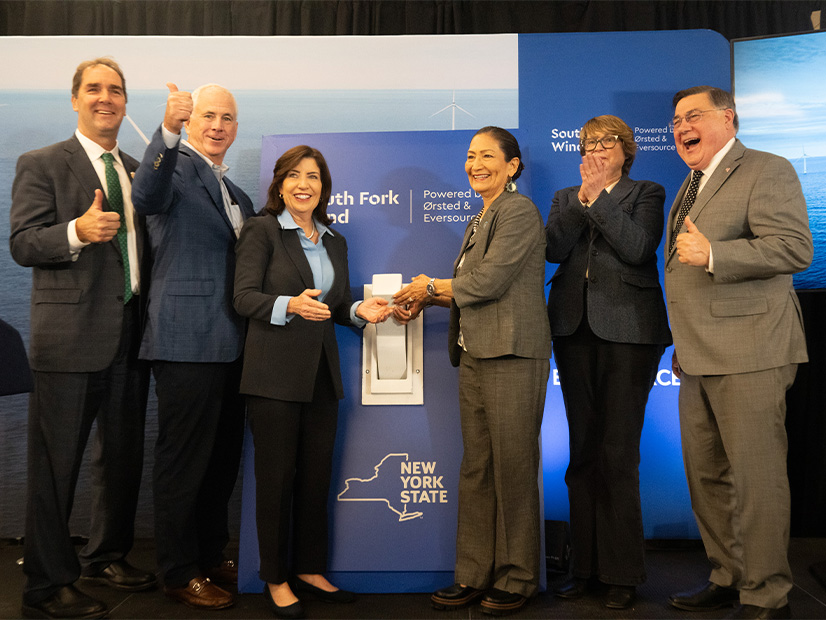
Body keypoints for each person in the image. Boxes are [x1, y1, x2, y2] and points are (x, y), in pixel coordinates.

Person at [10, 57, 155, 619]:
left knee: (121, 458)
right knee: (56, 467)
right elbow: (23, 243)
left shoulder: (137, 171)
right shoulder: (42, 163)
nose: (105, 98)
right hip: (69, 340)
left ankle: (106, 556)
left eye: (115, 90)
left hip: (131, 335)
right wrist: (76, 231)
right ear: (75, 99)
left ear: (125, 102)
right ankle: (46, 585)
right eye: (93, 88)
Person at [665, 86, 812, 620]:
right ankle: (728, 576)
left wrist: (714, 254)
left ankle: (767, 594)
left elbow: (794, 247)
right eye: (676, 120)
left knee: (756, 480)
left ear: (728, 118)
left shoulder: (766, 169)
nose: (682, 127)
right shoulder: (690, 183)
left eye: (694, 115)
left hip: (752, 350)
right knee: (707, 478)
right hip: (696, 354)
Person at [393, 127, 551, 617]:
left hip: (512, 356)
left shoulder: (518, 211)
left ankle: (517, 577)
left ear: (512, 166)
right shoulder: (480, 216)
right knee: (477, 468)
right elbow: (471, 291)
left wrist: (430, 286)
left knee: (513, 467)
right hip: (477, 356)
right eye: (470, 156)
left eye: (486, 155)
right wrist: (426, 299)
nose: (474, 164)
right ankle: (473, 573)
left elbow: (489, 281)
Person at [233, 145, 392, 619]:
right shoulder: (262, 230)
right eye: (295, 176)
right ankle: (275, 577)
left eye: (314, 177)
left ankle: (309, 570)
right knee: (276, 481)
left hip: (322, 377)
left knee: (317, 479)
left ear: (324, 187)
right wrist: (290, 304)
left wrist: (360, 310)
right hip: (272, 376)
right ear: (280, 184)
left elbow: (336, 305)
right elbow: (243, 297)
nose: (304, 184)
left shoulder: (334, 240)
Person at [131, 82, 255, 609]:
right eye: (208, 116)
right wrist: (166, 131)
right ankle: (179, 572)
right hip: (185, 341)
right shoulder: (174, 169)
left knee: (221, 461)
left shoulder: (239, 195)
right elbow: (145, 196)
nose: (217, 126)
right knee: (183, 462)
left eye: (227, 118)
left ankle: (209, 554)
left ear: (236, 127)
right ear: (190, 121)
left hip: (234, 345)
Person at [545, 114, 671, 610]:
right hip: (572, 330)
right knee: (582, 453)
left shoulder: (647, 192)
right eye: (588, 143)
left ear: (626, 149)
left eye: (605, 142)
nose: (595, 150)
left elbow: (638, 248)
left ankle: (622, 572)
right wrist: (584, 199)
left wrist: (598, 198)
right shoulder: (565, 197)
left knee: (617, 453)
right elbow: (554, 248)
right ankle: (585, 568)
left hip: (630, 333)